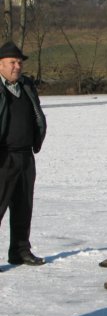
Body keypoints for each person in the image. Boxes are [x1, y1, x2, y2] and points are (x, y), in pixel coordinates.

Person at [0, 41, 47, 268]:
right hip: (3, 158)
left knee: (23, 206)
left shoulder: (26, 86)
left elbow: (37, 114)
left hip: (26, 156)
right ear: (0, 65)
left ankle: (20, 251)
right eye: (12, 62)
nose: (17, 66)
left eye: (19, 62)